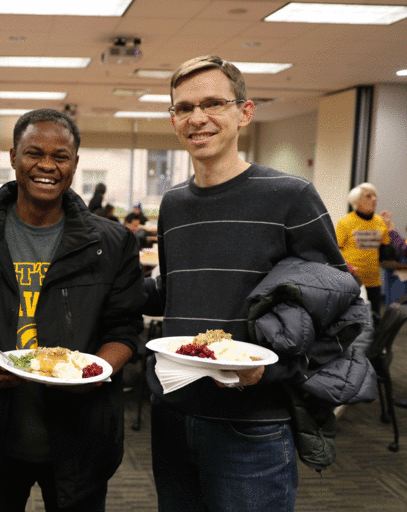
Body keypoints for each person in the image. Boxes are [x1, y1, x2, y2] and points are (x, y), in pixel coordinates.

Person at [143, 55, 352, 512]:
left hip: (252, 423)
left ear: (245, 111)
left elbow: (339, 307)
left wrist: (271, 370)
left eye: (213, 103)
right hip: (175, 412)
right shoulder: (173, 204)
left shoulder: (290, 196)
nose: (197, 118)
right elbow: (176, 294)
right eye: (183, 108)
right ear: (174, 119)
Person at [0, 108, 145, 512]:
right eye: (33, 153)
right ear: (12, 156)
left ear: (75, 163)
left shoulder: (111, 244)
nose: (47, 165)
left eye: (60, 156)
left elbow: (125, 328)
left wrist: (96, 371)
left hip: (82, 436)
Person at [336, 183, 400, 325]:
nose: (374, 199)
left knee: (374, 321)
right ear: (356, 202)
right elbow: (334, 251)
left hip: (373, 282)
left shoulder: (380, 222)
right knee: (350, 322)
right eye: (368, 196)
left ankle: (373, 347)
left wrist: (390, 229)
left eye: (375, 195)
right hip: (351, 282)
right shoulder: (345, 222)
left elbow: (387, 255)